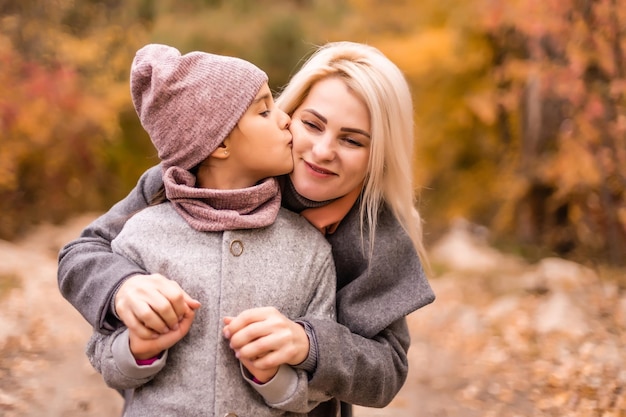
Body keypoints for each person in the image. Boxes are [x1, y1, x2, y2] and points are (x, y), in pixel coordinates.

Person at [58, 41, 435, 417]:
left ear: (379, 154)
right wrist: (124, 287)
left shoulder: (374, 231)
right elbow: (83, 252)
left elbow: (386, 370)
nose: (322, 151)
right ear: (290, 115)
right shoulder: (186, 179)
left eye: (352, 140)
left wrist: (309, 343)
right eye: (312, 124)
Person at [84, 43, 337, 416]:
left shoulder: (309, 250)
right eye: (265, 111)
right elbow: (103, 358)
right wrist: (140, 347)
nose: (286, 119)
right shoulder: (141, 235)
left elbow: (321, 386)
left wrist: (274, 377)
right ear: (218, 143)